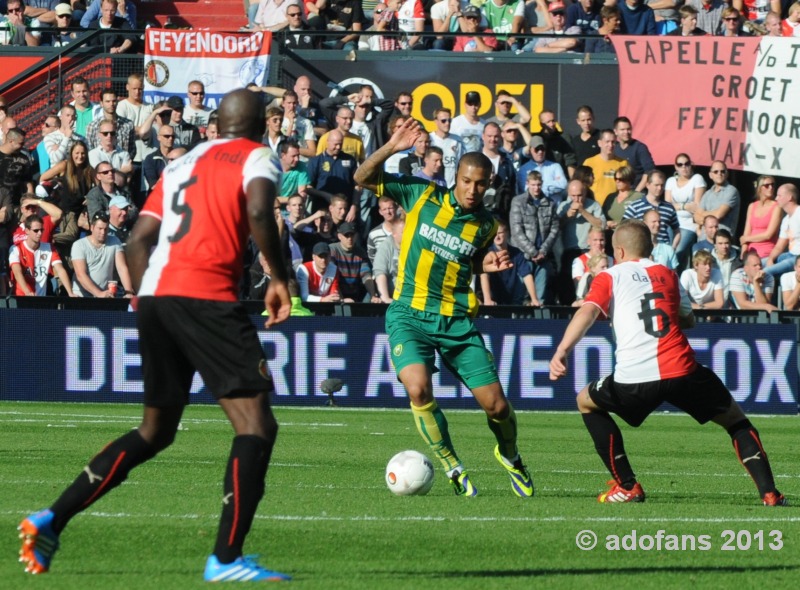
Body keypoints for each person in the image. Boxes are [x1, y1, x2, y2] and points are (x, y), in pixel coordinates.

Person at [18, 89, 293, 581]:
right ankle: (225, 560)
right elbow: (257, 212)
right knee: (256, 426)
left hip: (157, 298)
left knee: (156, 431)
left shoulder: (183, 163)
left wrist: (149, 300)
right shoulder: (258, 155)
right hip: (206, 296)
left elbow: (141, 237)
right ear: (259, 126)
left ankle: (50, 518)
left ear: (217, 123)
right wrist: (278, 276)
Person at [354, 118, 534, 498]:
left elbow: (468, 261)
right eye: (467, 181)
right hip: (409, 313)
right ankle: (452, 464)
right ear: (457, 177)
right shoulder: (422, 194)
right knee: (417, 389)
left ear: (489, 185)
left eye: (480, 183)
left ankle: (511, 455)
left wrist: (483, 266)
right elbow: (361, 177)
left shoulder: (485, 226)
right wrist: (391, 148)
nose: (472, 189)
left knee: (497, 406)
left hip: (456, 321)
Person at [549, 219, 786, 506]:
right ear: (649, 248)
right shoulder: (669, 274)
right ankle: (769, 493)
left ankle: (627, 486)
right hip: (682, 370)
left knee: (585, 400)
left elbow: (587, 312)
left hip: (633, 377)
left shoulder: (610, 276)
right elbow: (688, 319)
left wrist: (562, 349)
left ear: (619, 252)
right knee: (736, 421)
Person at [509, 170, 559, 304]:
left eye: (538, 185)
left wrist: (543, 251)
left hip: (542, 257)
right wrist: (533, 252)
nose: (536, 188)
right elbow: (516, 230)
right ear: (527, 184)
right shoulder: (518, 202)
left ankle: (538, 324)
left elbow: (554, 229)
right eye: (533, 185)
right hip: (523, 256)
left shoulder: (550, 203)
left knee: (540, 297)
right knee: (519, 294)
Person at [556, 179, 606, 304]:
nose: (577, 199)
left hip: (590, 250)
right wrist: (568, 215)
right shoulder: (563, 206)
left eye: (580, 195)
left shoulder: (593, 205)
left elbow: (602, 225)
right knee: (568, 283)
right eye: (573, 196)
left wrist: (583, 211)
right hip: (570, 250)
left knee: (589, 282)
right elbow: (556, 227)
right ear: (568, 193)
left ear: (585, 193)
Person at [69, 212, 134, 297]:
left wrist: (129, 292)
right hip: (82, 297)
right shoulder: (79, 245)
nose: (103, 232)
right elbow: (81, 275)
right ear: (92, 227)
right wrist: (98, 293)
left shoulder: (115, 241)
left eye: (106, 229)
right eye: (100, 228)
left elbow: (122, 268)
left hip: (105, 295)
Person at [9, 213, 75, 296]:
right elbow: (17, 272)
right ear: (27, 231)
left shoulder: (49, 248)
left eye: (41, 230)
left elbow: (60, 270)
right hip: (22, 297)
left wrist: (70, 292)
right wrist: (27, 292)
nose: (40, 233)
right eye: (36, 230)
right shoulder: (16, 249)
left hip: (41, 298)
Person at [480, 219, 542, 306]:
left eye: (500, 233)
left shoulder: (517, 253)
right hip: (493, 300)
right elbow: (484, 275)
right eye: (494, 234)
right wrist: (487, 299)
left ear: (507, 233)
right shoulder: (488, 253)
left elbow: (526, 275)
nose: (497, 236)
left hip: (513, 298)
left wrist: (534, 299)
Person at [665, 152, 706, 268]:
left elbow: (697, 206)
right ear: (675, 166)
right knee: (667, 251)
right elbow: (667, 206)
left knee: (678, 252)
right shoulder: (670, 181)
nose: (683, 167)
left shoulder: (697, 179)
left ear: (691, 165)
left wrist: (676, 205)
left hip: (688, 224)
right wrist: (684, 206)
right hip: (671, 222)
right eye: (680, 164)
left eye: (686, 164)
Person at [622, 170, 680, 251]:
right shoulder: (635, 206)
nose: (659, 188)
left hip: (663, 249)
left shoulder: (669, 207)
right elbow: (623, 227)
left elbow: (677, 230)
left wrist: (672, 248)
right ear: (647, 185)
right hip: (642, 249)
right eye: (656, 185)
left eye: (662, 185)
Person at [329, 221, 379, 302]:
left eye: (352, 235)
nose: (350, 238)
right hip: (337, 293)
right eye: (346, 235)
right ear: (339, 236)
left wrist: (373, 295)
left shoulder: (361, 252)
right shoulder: (332, 250)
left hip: (357, 293)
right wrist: (342, 300)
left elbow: (366, 275)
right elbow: (331, 276)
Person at [85, 88, 136, 162]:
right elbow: (89, 149)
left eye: (114, 101)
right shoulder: (92, 127)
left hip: (122, 168)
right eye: (108, 101)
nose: (111, 104)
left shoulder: (128, 125)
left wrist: (125, 163)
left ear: (117, 102)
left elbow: (132, 149)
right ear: (101, 103)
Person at [739, 175, 781, 262]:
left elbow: (768, 235)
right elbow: (747, 232)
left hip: (766, 253)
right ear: (759, 188)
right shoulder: (752, 206)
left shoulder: (777, 207)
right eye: (767, 185)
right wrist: (743, 254)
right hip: (750, 254)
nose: (771, 187)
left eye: (772, 185)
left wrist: (746, 239)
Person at [582, 129, 628, 208]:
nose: (610, 145)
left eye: (613, 142)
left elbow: (626, 188)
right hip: (594, 207)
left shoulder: (623, 163)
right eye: (607, 142)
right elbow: (582, 186)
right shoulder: (589, 163)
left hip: (614, 208)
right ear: (599, 143)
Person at [693, 160, 740, 236]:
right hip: (703, 240)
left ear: (727, 174)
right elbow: (696, 217)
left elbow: (719, 215)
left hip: (722, 242)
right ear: (710, 175)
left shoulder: (731, 191)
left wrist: (702, 214)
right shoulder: (707, 194)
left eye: (722, 171)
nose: (719, 174)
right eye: (716, 172)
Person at [764, 183, 800, 279]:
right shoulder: (786, 219)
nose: (776, 198)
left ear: (789, 197)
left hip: (797, 258)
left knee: (765, 272)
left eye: (779, 195)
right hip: (789, 255)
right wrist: (770, 259)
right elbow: (779, 246)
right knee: (757, 264)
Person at [515, 135, 568, 202]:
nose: (540, 152)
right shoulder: (523, 169)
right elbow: (526, 190)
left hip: (555, 208)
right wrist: (553, 185)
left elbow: (563, 185)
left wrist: (544, 185)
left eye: (542, 149)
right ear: (530, 150)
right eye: (537, 149)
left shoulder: (555, 166)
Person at [612, 116, 653, 192]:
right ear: (615, 131)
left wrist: (636, 192)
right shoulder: (614, 148)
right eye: (622, 130)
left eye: (628, 129)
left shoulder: (640, 147)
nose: (626, 132)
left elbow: (649, 171)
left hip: (637, 193)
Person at [429, 107, 464, 189]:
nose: (447, 123)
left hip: (452, 187)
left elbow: (460, 164)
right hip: (433, 186)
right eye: (443, 121)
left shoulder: (457, 140)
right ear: (436, 121)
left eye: (449, 120)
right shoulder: (429, 139)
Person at [536, 109, 577, 178]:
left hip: (560, 179)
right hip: (541, 180)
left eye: (553, 121)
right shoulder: (537, 139)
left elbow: (570, 162)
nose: (552, 124)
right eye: (548, 122)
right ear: (541, 124)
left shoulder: (564, 138)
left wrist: (572, 182)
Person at [601, 165, 641, 234]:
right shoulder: (610, 197)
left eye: (621, 179)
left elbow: (641, 219)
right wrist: (606, 223)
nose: (617, 181)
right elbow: (602, 216)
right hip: (609, 236)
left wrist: (619, 224)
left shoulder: (638, 197)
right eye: (615, 178)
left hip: (629, 234)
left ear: (629, 179)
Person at [373, 217, 404, 303]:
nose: (407, 235)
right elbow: (380, 272)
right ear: (394, 233)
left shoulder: (414, 246)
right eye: (403, 232)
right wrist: (386, 298)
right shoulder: (386, 246)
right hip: (392, 296)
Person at [711, 228, 741, 302]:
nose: (724, 246)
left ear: (730, 243)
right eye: (720, 243)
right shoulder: (709, 261)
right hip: (714, 301)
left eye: (726, 243)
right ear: (715, 245)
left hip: (734, 301)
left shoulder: (739, 260)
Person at [142, 125, 174, 193]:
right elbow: (153, 185)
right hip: (158, 196)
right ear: (159, 138)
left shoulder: (179, 157)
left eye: (173, 136)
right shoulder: (150, 159)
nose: (170, 138)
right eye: (167, 136)